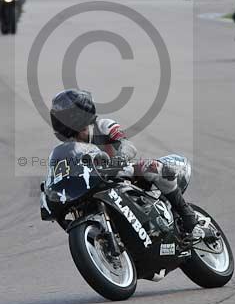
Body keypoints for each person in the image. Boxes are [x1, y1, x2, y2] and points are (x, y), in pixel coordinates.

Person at [47, 89, 203, 239]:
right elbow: (60, 172)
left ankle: (187, 216)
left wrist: (118, 159)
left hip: (121, 173)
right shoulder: (68, 148)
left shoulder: (103, 126)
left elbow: (128, 146)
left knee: (154, 168)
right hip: (93, 184)